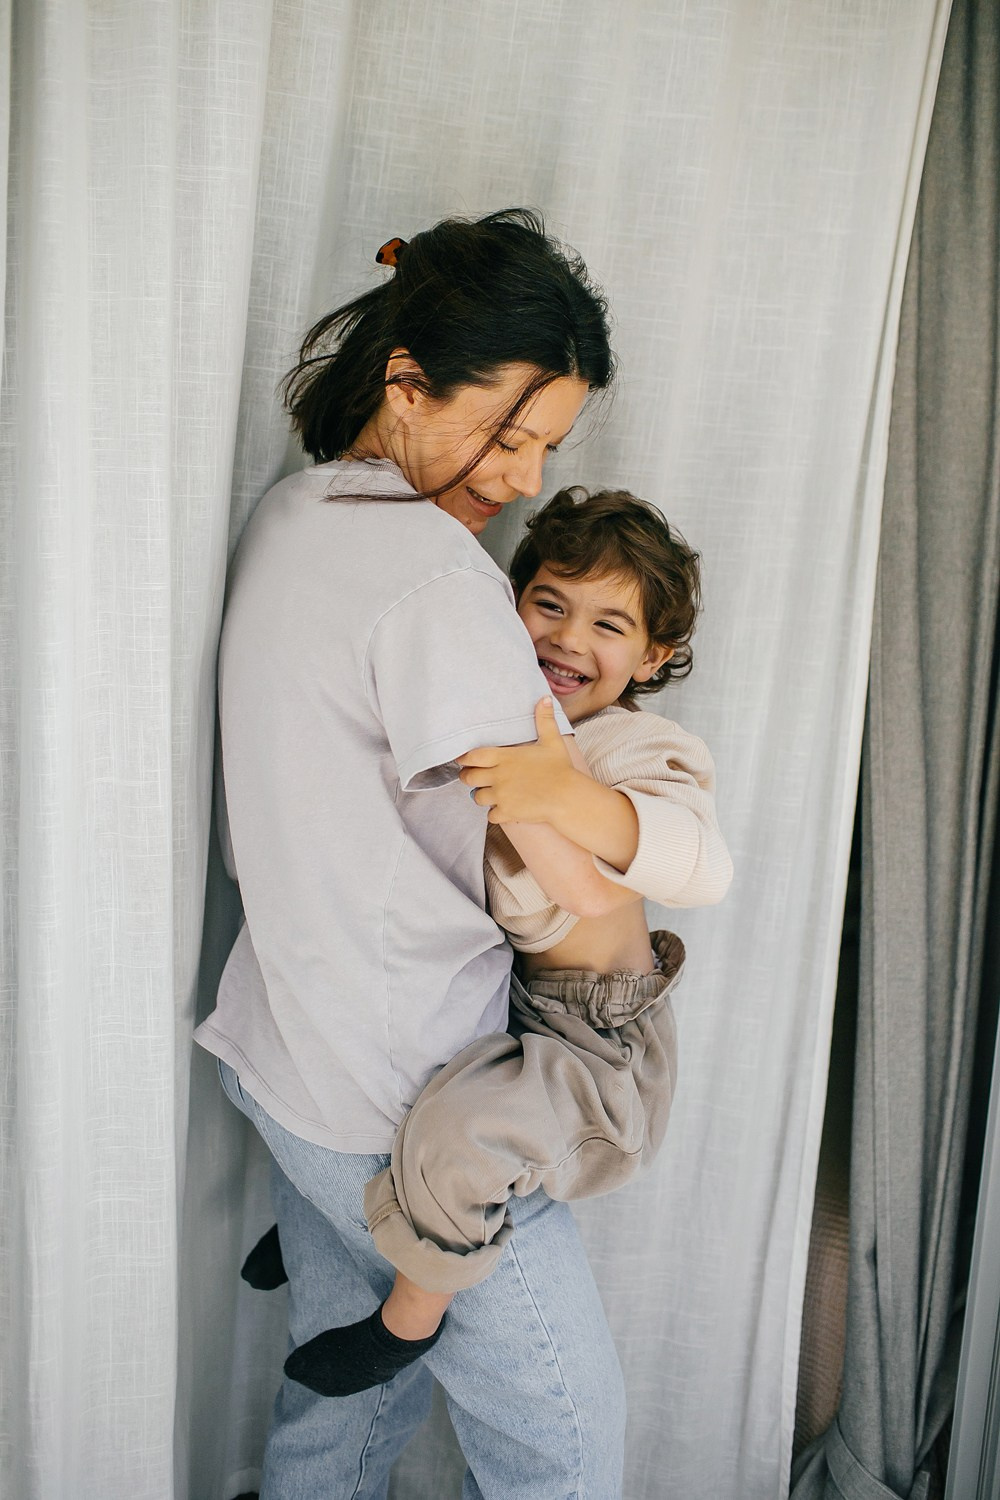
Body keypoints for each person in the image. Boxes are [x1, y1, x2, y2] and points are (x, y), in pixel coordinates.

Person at [195, 209, 643, 1499]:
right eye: (505, 434)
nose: (522, 478)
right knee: (566, 1446)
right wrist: (627, 956)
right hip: (413, 1106)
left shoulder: (293, 515)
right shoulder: (439, 584)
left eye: (547, 445)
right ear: (407, 383)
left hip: (294, 1058)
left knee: (344, 1412)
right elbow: (561, 860)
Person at [254, 486, 734, 1401]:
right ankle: (354, 1213)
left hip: (601, 1049)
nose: (568, 639)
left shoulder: (635, 745)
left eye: (608, 625)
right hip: (518, 1006)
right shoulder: (496, 715)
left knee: (462, 1135)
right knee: (394, 1081)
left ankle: (406, 1318)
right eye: (549, 604)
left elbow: (691, 863)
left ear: (653, 656)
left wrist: (561, 792)